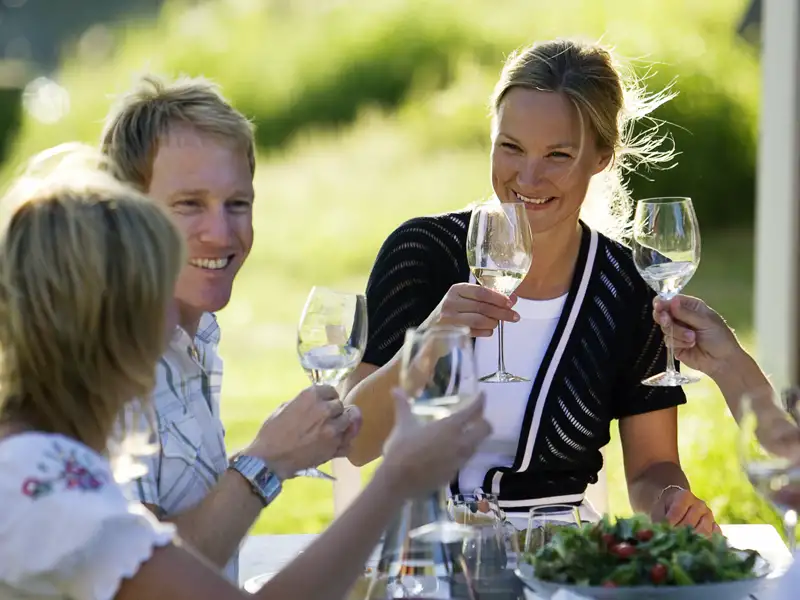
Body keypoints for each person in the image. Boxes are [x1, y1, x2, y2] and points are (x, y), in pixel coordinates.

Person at [0, 146, 492, 600]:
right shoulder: (40, 478)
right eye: (157, 294)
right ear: (102, 318)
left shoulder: (42, 457)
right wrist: (396, 480)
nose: (174, 319)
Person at [344, 38, 719, 534]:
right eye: (511, 147)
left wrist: (672, 501)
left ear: (601, 157)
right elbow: (355, 442)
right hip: (425, 554)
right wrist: (430, 341)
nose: (528, 176)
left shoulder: (626, 289)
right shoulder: (422, 253)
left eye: (558, 155)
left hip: (561, 559)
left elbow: (651, 468)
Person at [100, 75, 361, 580]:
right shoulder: (106, 363)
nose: (222, 233)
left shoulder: (194, 337)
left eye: (237, 204)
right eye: (189, 204)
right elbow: (145, 582)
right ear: (127, 212)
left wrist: (286, 444)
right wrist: (268, 460)